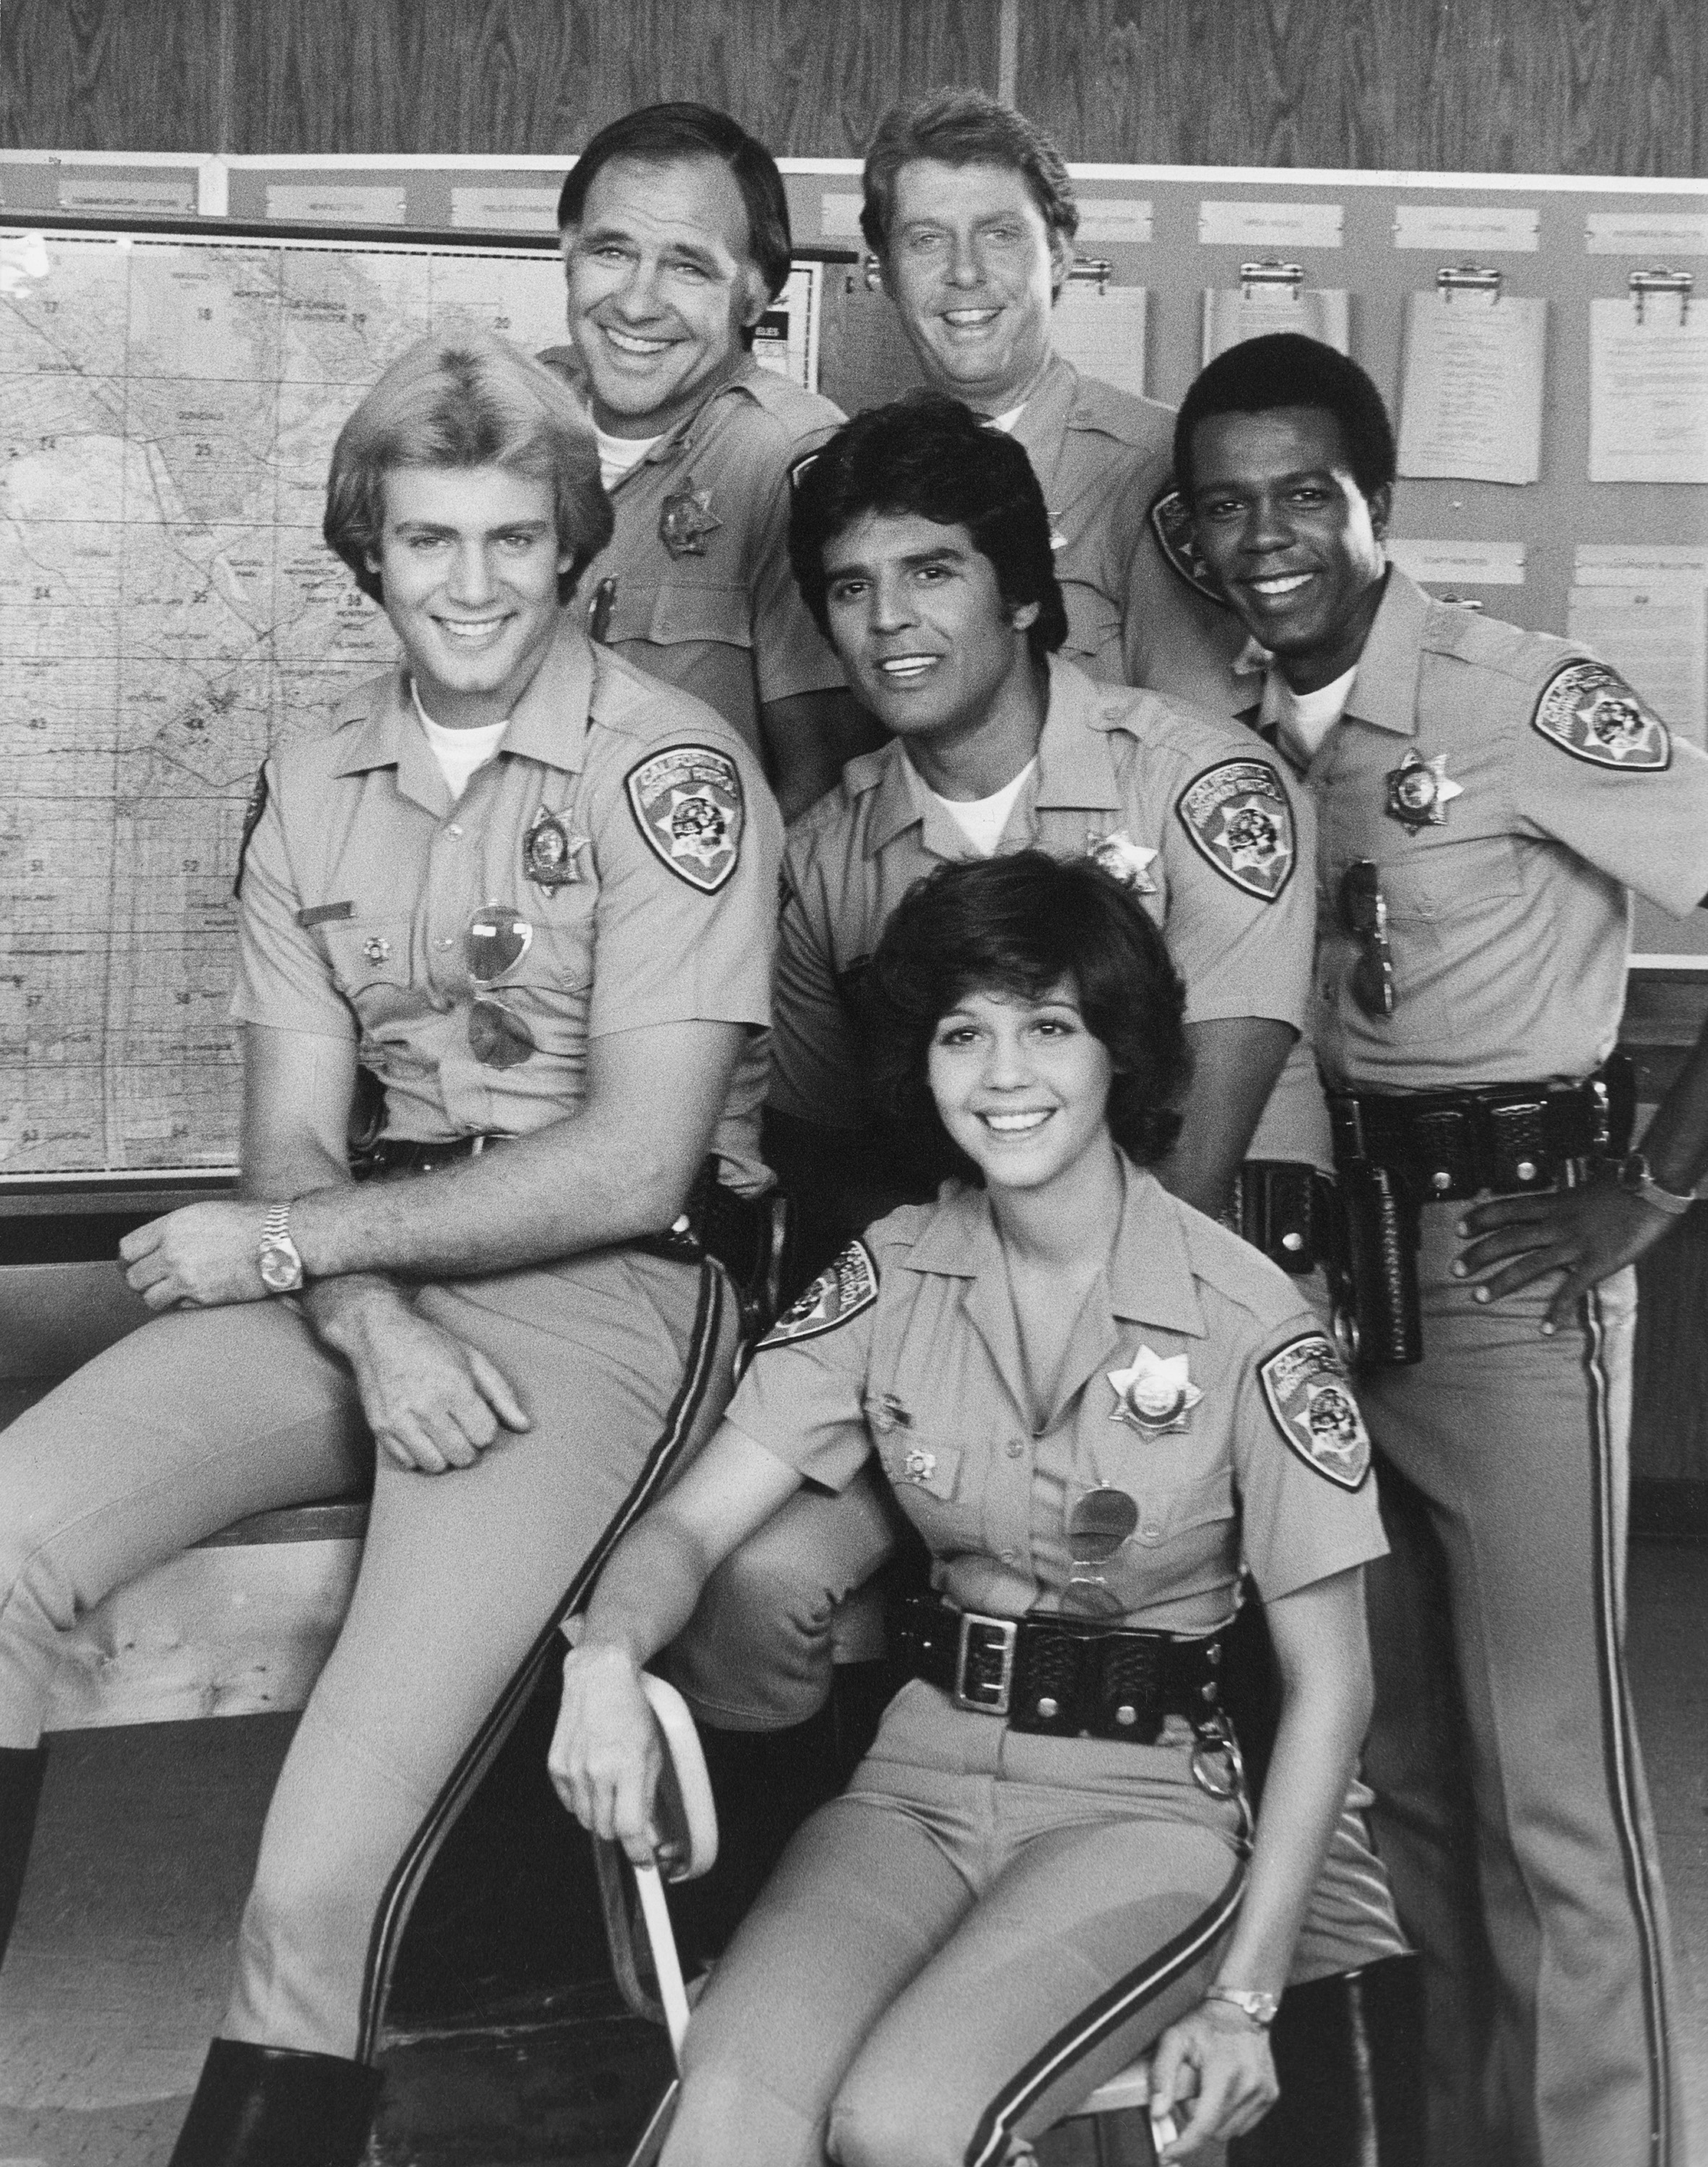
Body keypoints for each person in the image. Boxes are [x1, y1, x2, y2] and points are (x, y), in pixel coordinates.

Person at [0, 332, 781, 2167]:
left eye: (514, 539)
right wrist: (365, 1317)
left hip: (611, 1286)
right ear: (367, 550)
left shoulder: (671, 769)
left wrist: (308, 1253)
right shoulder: (311, 772)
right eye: (429, 541)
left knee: (324, 1852)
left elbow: (627, 1162)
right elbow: (290, 1140)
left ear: (574, 547)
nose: (472, 584)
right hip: (357, 1271)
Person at [550, 851, 1390, 2167]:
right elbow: (690, 1526)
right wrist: (604, 1658)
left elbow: (1330, 1684)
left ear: (1121, 1053)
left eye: (1049, 1028)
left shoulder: (1249, 1321)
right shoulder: (891, 1274)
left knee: (906, 2120)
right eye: (964, 1034)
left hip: (1143, 1815)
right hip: (915, 1788)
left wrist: (1247, 1998)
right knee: (732, 2110)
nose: (1004, 1077)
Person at [1176, 329, 1708, 2167]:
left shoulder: (1507, 696)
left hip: (1504, 1277)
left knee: (1547, 1795)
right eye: (1225, 506)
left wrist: (1642, 1188)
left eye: (1300, 496)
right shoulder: (1237, 749)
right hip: (1328, 1290)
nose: (1266, 537)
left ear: (1370, 506)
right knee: (1403, 1781)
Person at [859, 88, 1249, 716]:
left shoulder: (1156, 471)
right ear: (883, 270)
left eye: (1000, 235)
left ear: (1061, 257)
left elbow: (1201, 747)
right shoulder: (847, 475)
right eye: (926, 240)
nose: (965, 273)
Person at [542, 100, 879, 820]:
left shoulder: (791, 459)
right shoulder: (513, 421)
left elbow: (824, 783)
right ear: (568, 248)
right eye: (612, 251)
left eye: (688, 267)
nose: (637, 303)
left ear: (756, 292)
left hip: (687, 914)